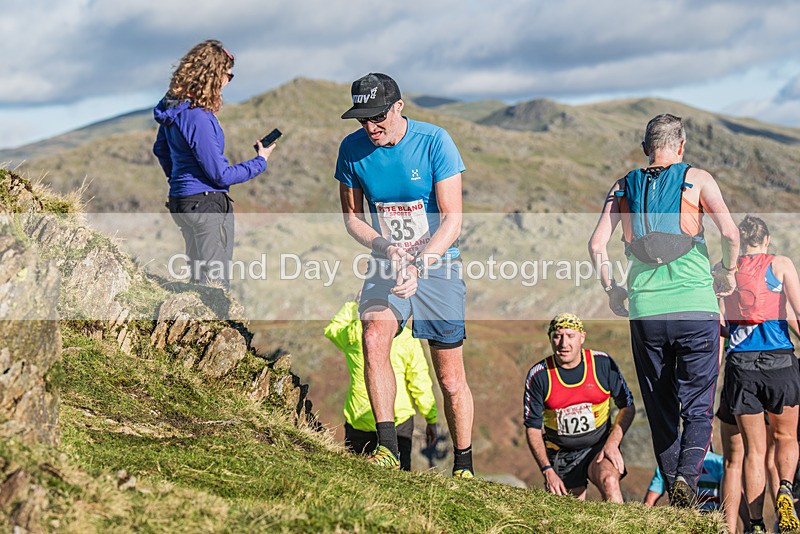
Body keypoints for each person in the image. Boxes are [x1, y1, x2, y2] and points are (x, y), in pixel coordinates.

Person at [588, 113, 739, 507]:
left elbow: (596, 245)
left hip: (646, 312)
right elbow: (730, 234)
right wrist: (727, 271)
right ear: (682, 146)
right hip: (695, 309)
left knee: (660, 407)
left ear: (645, 148)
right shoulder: (699, 179)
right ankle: (689, 480)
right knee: (699, 404)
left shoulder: (623, 186)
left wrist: (612, 291)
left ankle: (676, 495)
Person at [335, 73, 474, 476]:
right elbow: (352, 219)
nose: (370, 127)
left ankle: (463, 465)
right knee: (373, 333)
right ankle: (388, 450)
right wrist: (385, 247)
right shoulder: (352, 150)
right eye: (362, 119)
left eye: (377, 116)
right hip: (388, 260)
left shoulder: (435, 141)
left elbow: (452, 220)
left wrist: (420, 263)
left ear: (399, 107)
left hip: (438, 263)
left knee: (449, 378)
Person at [153, 39, 276, 291]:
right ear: (214, 74)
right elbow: (219, 175)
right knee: (215, 286)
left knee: (199, 281)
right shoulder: (197, 117)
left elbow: (160, 149)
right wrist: (259, 162)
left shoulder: (175, 110)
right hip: (206, 203)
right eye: (228, 75)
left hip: (183, 201)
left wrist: (178, 181)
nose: (229, 80)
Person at [718, 215, 800, 533]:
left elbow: (716, 322)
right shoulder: (780, 264)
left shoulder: (723, 270)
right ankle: (785, 490)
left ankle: (755, 523)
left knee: (754, 451)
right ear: (766, 240)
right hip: (780, 361)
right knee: (785, 437)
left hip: (741, 365)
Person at [523, 313, 635, 503]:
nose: (563, 343)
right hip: (561, 453)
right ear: (550, 339)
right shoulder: (539, 375)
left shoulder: (602, 363)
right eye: (557, 336)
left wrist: (612, 443)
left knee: (610, 482)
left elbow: (627, 406)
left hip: (599, 447)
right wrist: (547, 470)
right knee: (571, 512)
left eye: (570, 336)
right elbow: (533, 428)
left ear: (582, 337)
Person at [324, 296, 438, 471]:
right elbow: (419, 381)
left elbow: (333, 328)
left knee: (358, 477)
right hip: (398, 419)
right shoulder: (408, 339)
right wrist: (430, 418)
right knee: (400, 477)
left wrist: (353, 303)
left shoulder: (355, 333)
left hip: (360, 418)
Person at [643, 449, 723, 512]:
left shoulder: (668, 464)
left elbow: (648, 503)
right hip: (711, 521)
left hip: (681, 520)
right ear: (711, 434)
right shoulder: (721, 463)